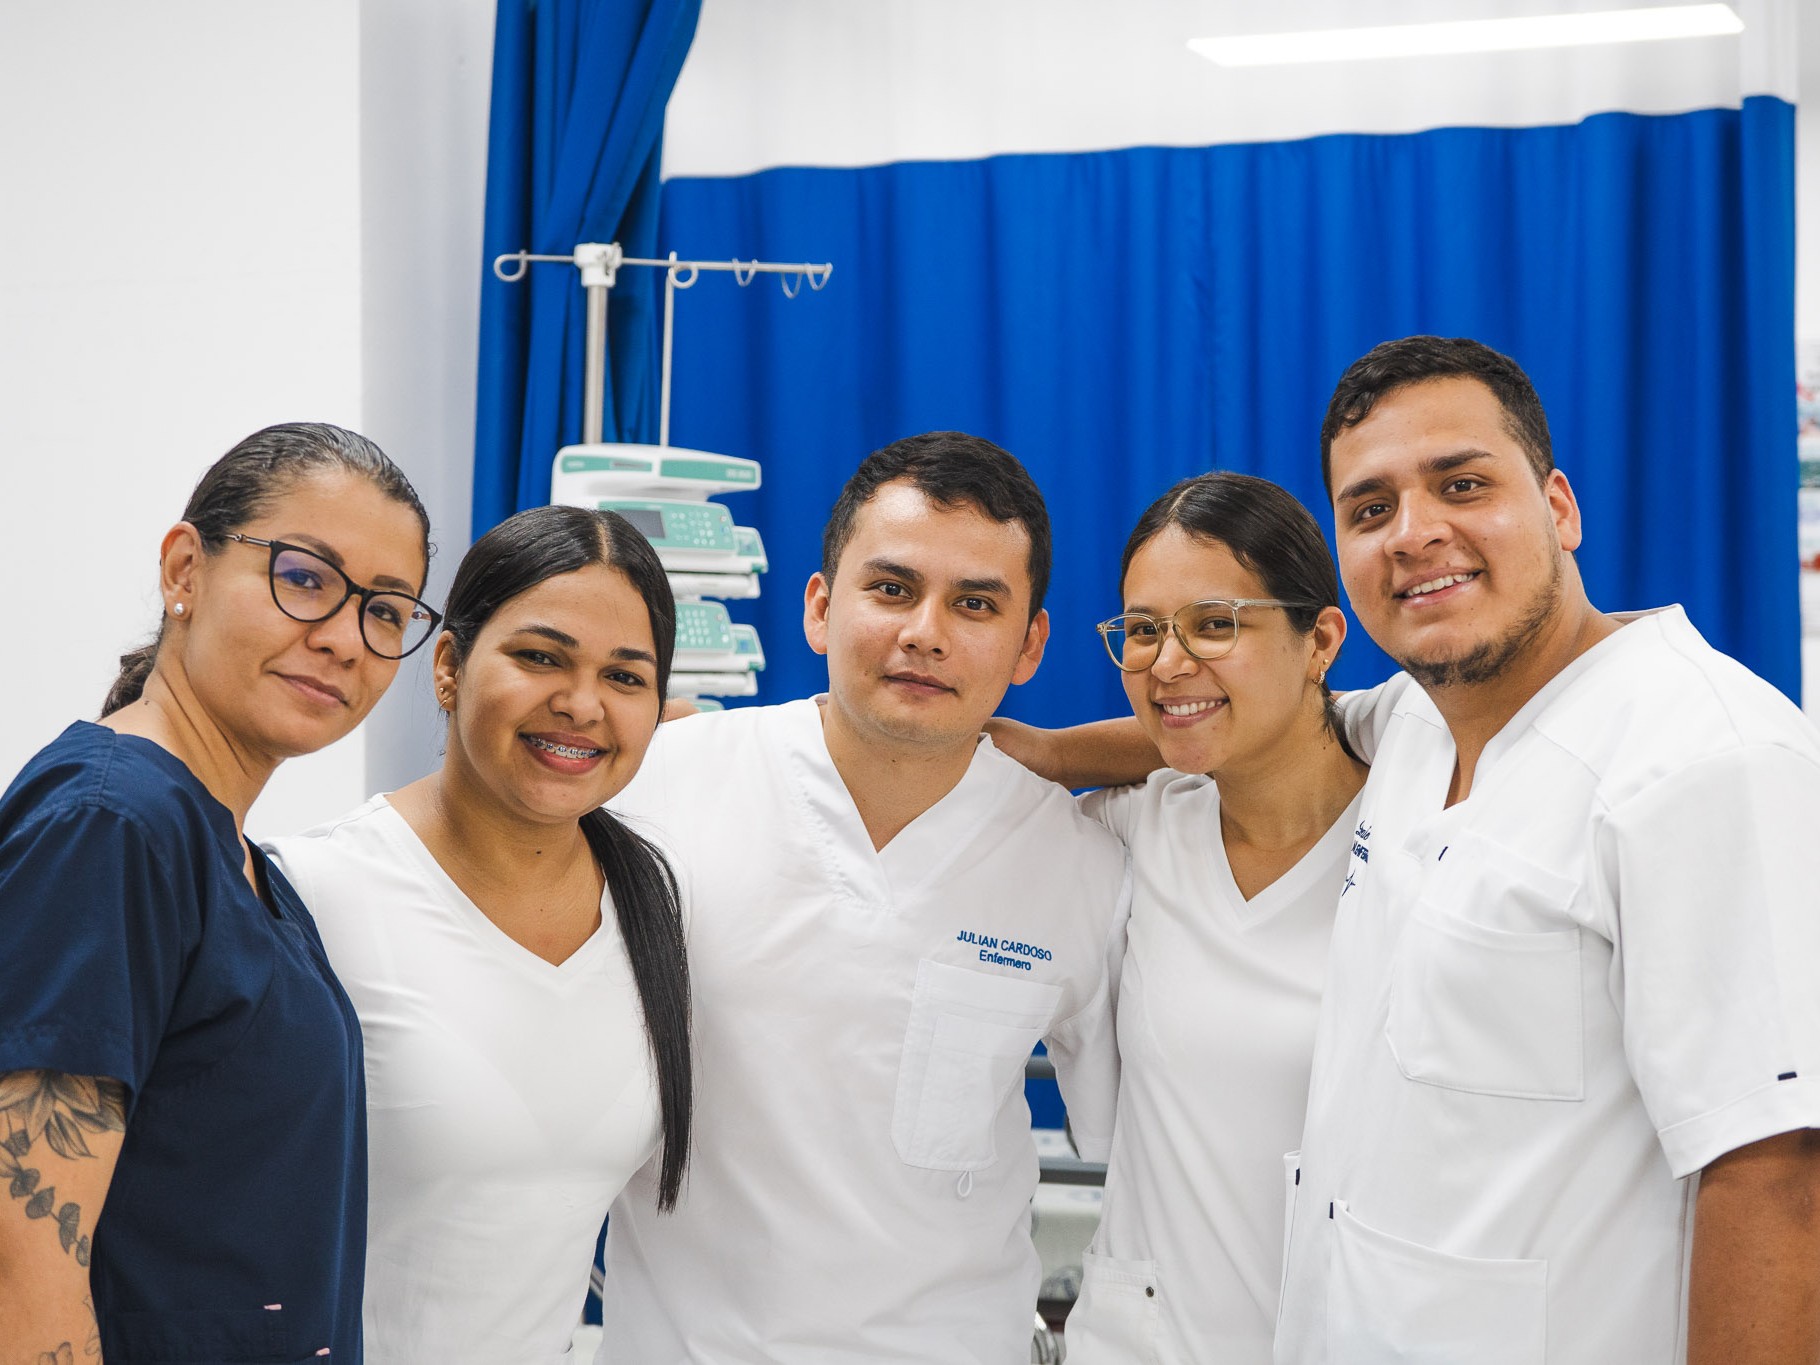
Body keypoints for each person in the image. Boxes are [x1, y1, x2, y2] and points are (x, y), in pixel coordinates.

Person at [1276, 336, 1820, 1365]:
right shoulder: (1412, 720)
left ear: (1556, 507)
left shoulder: (1706, 760)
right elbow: (1242, 722)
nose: (1414, 532)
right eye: (1368, 508)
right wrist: (1005, 741)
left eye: (1461, 483)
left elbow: (1778, 1177)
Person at [595, 431, 1131, 1365]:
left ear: (1031, 644)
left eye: (975, 603)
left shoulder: (1081, 863)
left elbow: (1154, 1147)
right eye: (891, 589)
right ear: (818, 605)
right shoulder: (656, 792)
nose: (925, 631)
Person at [0, 423, 434, 1364]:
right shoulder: (112, 825)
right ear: (184, 570)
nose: (343, 639)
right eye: (305, 577)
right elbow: (20, 1263)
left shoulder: (234, 858)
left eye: (388, 610)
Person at [264, 505, 692, 1365]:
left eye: (625, 675)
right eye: (540, 657)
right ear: (450, 665)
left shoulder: (655, 903)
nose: (580, 704)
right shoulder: (312, 894)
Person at [991, 472, 1368, 1364]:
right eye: (1144, 629)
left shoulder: (1423, 813)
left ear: (1321, 638)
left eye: (1213, 623)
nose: (1166, 662)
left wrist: (1053, 749)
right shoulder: (1133, 828)